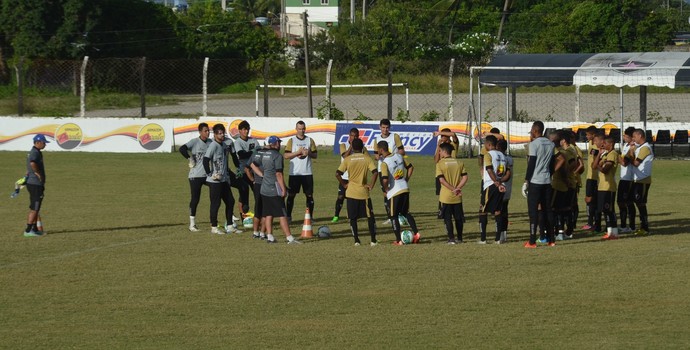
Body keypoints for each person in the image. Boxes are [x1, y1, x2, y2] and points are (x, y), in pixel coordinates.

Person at [250, 136, 301, 244]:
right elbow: (278, 174)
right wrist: (283, 189)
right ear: (274, 144)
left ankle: (270, 236)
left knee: (268, 213)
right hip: (274, 189)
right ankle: (289, 238)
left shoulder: (263, 154)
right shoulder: (277, 156)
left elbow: (253, 165)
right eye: (278, 142)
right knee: (282, 214)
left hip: (264, 189)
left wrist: (262, 175)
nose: (279, 144)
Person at [336, 138, 379, 246]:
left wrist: (344, 184)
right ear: (362, 146)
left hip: (351, 192)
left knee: (353, 218)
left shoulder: (348, 159)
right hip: (363, 193)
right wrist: (371, 185)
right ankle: (373, 240)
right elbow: (375, 172)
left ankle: (356, 240)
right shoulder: (367, 159)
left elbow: (337, 173)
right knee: (370, 217)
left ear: (353, 147)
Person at [377, 140, 421, 246]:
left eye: (378, 150)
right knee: (406, 213)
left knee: (393, 216)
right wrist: (406, 179)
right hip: (405, 188)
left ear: (381, 150)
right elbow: (410, 167)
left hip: (394, 191)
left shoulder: (384, 163)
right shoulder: (399, 156)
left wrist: (385, 189)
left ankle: (398, 240)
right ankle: (416, 233)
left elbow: (385, 179)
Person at [523, 121, 556, 248]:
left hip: (535, 182)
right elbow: (552, 164)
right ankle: (551, 239)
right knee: (548, 210)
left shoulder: (534, 144)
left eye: (531, 129)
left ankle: (532, 241)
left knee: (533, 211)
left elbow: (532, 164)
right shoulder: (551, 144)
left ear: (535, 130)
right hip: (547, 181)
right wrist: (548, 174)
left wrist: (527, 180)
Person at [203, 123, 240, 235]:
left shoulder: (224, 145)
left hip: (223, 179)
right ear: (214, 134)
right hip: (215, 181)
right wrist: (210, 173)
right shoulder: (213, 145)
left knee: (230, 201)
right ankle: (214, 227)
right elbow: (205, 160)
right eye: (219, 133)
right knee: (216, 203)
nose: (222, 135)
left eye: (223, 132)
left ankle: (229, 226)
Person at [179, 123, 212, 232]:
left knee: (219, 191)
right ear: (200, 132)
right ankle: (192, 224)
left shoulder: (211, 142)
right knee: (195, 199)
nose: (207, 132)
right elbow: (182, 149)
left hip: (208, 175)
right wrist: (189, 158)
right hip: (195, 176)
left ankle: (227, 219)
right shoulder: (194, 142)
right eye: (205, 131)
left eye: (208, 130)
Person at [284, 121, 317, 223]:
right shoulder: (291, 141)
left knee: (309, 195)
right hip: (295, 173)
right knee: (291, 195)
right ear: (296, 129)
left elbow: (315, 155)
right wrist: (297, 152)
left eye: (303, 129)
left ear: (305, 129)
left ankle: (310, 217)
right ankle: (288, 216)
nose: (301, 131)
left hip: (307, 173)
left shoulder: (310, 140)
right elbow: (286, 156)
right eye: (299, 129)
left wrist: (309, 153)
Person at [435, 142, 469, 244]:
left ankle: (451, 239)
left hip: (446, 196)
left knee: (447, 218)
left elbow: (441, 180)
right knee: (458, 218)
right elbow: (465, 177)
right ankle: (460, 238)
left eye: (440, 151)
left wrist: (452, 188)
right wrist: (458, 188)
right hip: (457, 196)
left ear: (444, 151)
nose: (439, 153)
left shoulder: (440, 164)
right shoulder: (459, 162)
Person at [478, 135, 507, 244]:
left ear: (489, 144)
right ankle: (498, 238)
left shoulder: (488, 155)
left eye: (485, 143)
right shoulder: (502, 155)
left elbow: (490, 170)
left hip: (490, 185)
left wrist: (495, 182)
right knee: (497, 211)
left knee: (482, 210)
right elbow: (504, 171)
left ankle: (483, 239)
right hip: (500, 185)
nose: (484, 145)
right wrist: (500, 182)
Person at [376, 118, 404, 225]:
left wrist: (391, 155)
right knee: (386, 193)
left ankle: (400, 215)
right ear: (380, 127)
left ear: (389, 128)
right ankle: (390, 216)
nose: (385, 130)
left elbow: (402, 150)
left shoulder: (395, 136)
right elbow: (375, 154)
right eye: (383, 127)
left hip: (394, 167)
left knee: (397, 191)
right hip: (382, 168)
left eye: (387, 127)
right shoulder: (377, 138)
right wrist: (378, 156)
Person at [627, 129, 654, 235]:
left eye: (634, 136)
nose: (633, 139)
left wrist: (631, 153)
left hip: (643, 180)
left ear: (640, 135)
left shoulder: (645, 148)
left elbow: (636, 163)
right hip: (637, 179)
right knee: (634, 201)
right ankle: (637, 226)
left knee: (641, 203)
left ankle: (645, 228)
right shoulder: (640, 148)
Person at [551, 130, 577, 241]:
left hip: (562, 183)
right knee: (565, 209)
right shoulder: (569, 151)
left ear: (563, 140)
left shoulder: (567, 151)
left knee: (558, 209)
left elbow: (575, 164)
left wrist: (566, 176)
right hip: (567, 183)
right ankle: (566, 231)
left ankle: (560, 231)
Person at [233, 120, 260, 219]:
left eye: (247, 129)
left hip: (254, 170)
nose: (246, 131)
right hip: (242, 170)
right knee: (244, 192)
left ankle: (258, 214)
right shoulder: (237, 142)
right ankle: (243, 216)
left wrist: (252, 152)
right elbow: (241, 154)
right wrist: (253, 152)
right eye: (244, 129)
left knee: (257, 192)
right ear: (239, 131)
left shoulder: (253, 140)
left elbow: (259, 152)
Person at [23, 134, 49, 237]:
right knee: (35, 208)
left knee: (36, 208)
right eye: (44, 143)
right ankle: (28, 231)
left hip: (33, 183)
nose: (45, 145)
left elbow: (30, 164)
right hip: (35, 184)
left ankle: (34, 229)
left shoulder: (35, 152)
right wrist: (38, 173)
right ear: (38, 142)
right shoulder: (35, 153)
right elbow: (33, 163)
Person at [594, 135, 620, 240]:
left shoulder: (613, 154)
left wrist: (599, 166)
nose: (602, 145)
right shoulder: (605, 154)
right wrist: (599, 155)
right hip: (602, 186)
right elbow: (593, 166)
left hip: (609, 187)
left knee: (609, 210)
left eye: (605, 143)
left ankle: (614, 233)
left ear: (611, 144)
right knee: (605, 210)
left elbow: (605, 170)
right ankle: (610, 233)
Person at [332, 128, 359, 223]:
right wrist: (351, 146)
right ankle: (336, 215)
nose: (354, 138)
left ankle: (353, 216)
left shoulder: (361, 147)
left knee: (353, 198)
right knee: (340, 197)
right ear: (349, 135)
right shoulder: (343, 145)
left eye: (356, 136)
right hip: (344, 177)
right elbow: (345, 156)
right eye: (352, 136)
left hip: (355, 178)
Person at [434, 128, 459, 217]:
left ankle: (454, 211)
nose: (442, 137)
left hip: (452, 172)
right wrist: (438, 147)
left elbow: (454, 134)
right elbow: (436, 160)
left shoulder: (453, 144)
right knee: (441, 192)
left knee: (453, 190)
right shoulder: (440, 147)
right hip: (441, 171)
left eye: (444, 136)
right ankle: (441, 211)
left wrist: (439, 132)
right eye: (441, 136)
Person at [248, 142, 270, 240]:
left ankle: (260, 233)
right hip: (262, 184)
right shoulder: (260, 154)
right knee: (261, 209)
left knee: (262, 209)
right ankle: (258, 232)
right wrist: (254, 179)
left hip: (262, 184)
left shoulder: (258, 153)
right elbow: (248, 167)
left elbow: (248, 167)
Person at [617, 127, 637, 233]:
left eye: (625, 136)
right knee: (621, 202)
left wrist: (616, 156)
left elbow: (625, 162)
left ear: (631, 137)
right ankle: (624, 226)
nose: (623, 137)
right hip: (623, 178)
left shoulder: (633, 148)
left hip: (629, 179)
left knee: (628, 202)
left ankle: (631, 226)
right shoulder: (626, 145)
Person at [583, 126, 602, 232]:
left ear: (593, 134)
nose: (586, 136)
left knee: (590, 200)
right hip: (590, 176)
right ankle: (592, 222)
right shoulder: (591, 143)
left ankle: (592, 223)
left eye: (588, 134)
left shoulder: (596, 146)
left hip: (594, 177)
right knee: (590, 200)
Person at [496, 139, 512, 243]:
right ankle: (504, 234)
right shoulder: (510, 159)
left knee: (499, 212)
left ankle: (500, 235)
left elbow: (501, 173)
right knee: (504, 212)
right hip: (508, 189)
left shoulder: (502, 159)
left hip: (501, 188)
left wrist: (498, 181)